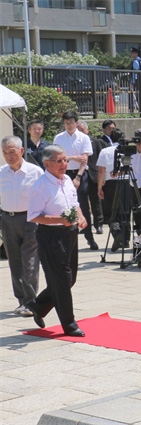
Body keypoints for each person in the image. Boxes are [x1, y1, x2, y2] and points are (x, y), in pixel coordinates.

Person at [26, 144, 88, 337]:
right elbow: (33, 216)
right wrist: (61, 219)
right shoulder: (40, 186)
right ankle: (69, 324)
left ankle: (38, 304)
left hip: (70, 233)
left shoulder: (67, 179)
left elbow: (74, 203)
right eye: (59, 161)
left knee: (69, 279)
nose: (64, 164)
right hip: (50, 236)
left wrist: (81, 216)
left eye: (65, 160)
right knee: (61, 281)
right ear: (47, 163)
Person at [0, 136, 43, 317]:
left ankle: (31, 301)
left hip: (30, 220)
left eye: (12, 152)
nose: (9, 156)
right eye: (5, 152)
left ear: (22, 151)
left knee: (30, 261)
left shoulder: (35, 172)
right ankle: (21, 300)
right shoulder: (1, 172)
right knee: (14, 262)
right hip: (8, 220)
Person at [53, 111, 98, 250]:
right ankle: (67, 236)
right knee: (64, 204)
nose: (69, 125)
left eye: (71, 123)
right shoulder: (59, 138)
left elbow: (84, 160)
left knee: (83, 205)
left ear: (76, 123)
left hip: (80, 173)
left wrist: (78, 177)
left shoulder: (83, 138)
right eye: (66, 123)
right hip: (63, 172)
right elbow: (59, 158)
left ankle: (89, 237)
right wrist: (73, 158)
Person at [96, 128, 130, 252]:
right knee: (125, 211)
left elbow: (101, 170)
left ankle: (117, 233)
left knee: (111, 211)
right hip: (127, 182)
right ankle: (126, 240)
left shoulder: (105, 151)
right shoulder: (128, 151)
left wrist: (99, 187)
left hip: (111, 183)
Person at [77, 120, 108, 235]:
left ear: (87, 130)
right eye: (78, 130)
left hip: (94, 175)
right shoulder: (76, 143)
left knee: (96, 202)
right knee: (82, 202)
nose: (80, 132)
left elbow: (102, 160)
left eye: (82, 130)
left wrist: (103, 177)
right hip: (81, 176)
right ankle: (85, 226)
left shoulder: (96, 142)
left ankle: (98, 224)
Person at [129, 47, 141, 113]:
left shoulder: (135, 61)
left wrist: (132, 82)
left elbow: (135, 72)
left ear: (136, 54)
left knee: (132, 94)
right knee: (139, 94)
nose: (131, 54)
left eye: (132, 53)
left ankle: (132, 108)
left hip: (136, 80)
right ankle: (140, 108)